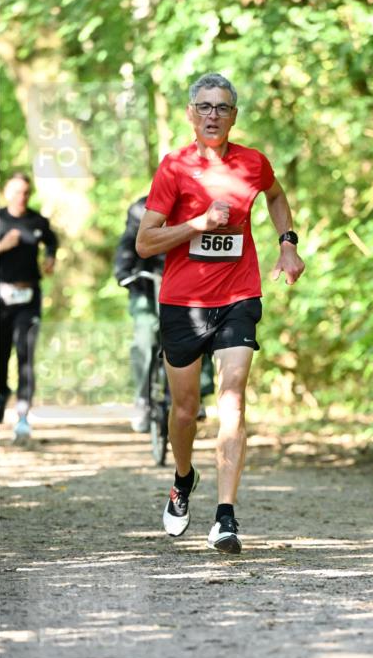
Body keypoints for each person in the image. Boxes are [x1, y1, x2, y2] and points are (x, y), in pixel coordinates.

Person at [136, 72, 304, 555]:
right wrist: (197, 224)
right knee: (185, 410)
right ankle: (182, 478)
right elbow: (145, 242)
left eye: (222, 107)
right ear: (191, 114)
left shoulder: (253, 162)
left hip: (238, 296)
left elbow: (275, 195)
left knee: (233, 400)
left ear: (234, 115)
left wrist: (287, 244)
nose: (213, 115)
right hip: (183, 303)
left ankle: (225, 517)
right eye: (205, 107)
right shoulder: (174, 167)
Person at [114, 196, 215, 432]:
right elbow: (128, 243)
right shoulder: (140, 208)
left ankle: (198, 395)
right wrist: (123, 272)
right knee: (145, 337)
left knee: (201, 333)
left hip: (186, 286)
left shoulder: (194, 206)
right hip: (147, 285)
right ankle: (142, 399)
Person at [0, 172, 58, 439]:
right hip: (0, 298)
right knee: (0, 354)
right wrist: (2, 245)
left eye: (25, 193)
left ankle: (22, 416)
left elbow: (52, 241)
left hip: (29, 298)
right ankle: (1, 393)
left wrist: (50, 257)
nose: (21, 197)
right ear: (6, 192)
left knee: (26, 355)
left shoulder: (37, 221)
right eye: (16, 192)